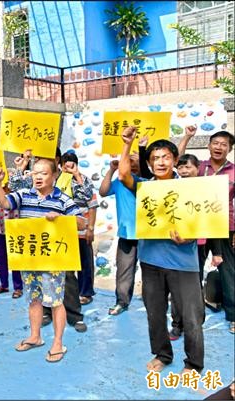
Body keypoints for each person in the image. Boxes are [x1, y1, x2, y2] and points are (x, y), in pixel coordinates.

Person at [118, 127, 204, 373]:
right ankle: (163, 354)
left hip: (184, 263)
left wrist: (190, 236)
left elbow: (203, 221)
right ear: (148, 163)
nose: (160, 162)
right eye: (155, 158)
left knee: (191, 317)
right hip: (151, 262)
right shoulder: (144, 187)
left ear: (176, 160)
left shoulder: (190, 188)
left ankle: (194, 363)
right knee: (155, 314)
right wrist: (127, 143)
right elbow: (124, 173)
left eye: (166, 157)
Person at [0, 157, 85, 362]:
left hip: (53, 261)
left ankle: (58, 343)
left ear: (54, 175)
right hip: (29, 259)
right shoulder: (24, 194)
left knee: (55, 301)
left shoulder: (63, 199)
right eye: (35, 173)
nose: (38, 177)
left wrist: (61, 219)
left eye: (43, 173)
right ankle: (35, 337)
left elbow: (81, 222)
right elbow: (3, 203)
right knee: (34, 299)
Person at [179, 128, 234, 334]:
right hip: (198, 226)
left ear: (229, 149)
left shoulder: (234, 170)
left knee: (229, 272)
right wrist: (187, 137)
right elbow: (179, 160)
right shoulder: (198, 167)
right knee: (195, 271)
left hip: (225, 227)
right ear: (209, 146)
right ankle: (194, 316)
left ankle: (233, 316)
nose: (219, 147)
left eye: (224, 144)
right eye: (215, 143)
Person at [99, 153, 140, 316]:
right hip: (126, 233)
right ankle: (122, 302)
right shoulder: (120, 182)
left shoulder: (148, 181)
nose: (133, 163)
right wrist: (111, 170)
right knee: (124, 270)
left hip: (150, 235)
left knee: (154, 272)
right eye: (129, 161)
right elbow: (103, 191)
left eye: (136, 160)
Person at [57, 152, 98, 305]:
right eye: (65, 165)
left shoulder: (84, 180)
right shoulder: (59, 181)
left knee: (85, 264)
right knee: (66, 266)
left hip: (82, 230)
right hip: (64, 231)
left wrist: (90, 228)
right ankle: (68, 293)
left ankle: (86, 292)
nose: (68, 168)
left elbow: (92, 205)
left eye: (71, 164)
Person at [0, 184, 23, 298]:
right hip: (1, 229)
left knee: (16, 259)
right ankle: (4, 284)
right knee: (1, 258)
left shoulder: (17, 194)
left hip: (15, 230)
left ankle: (18, 287)